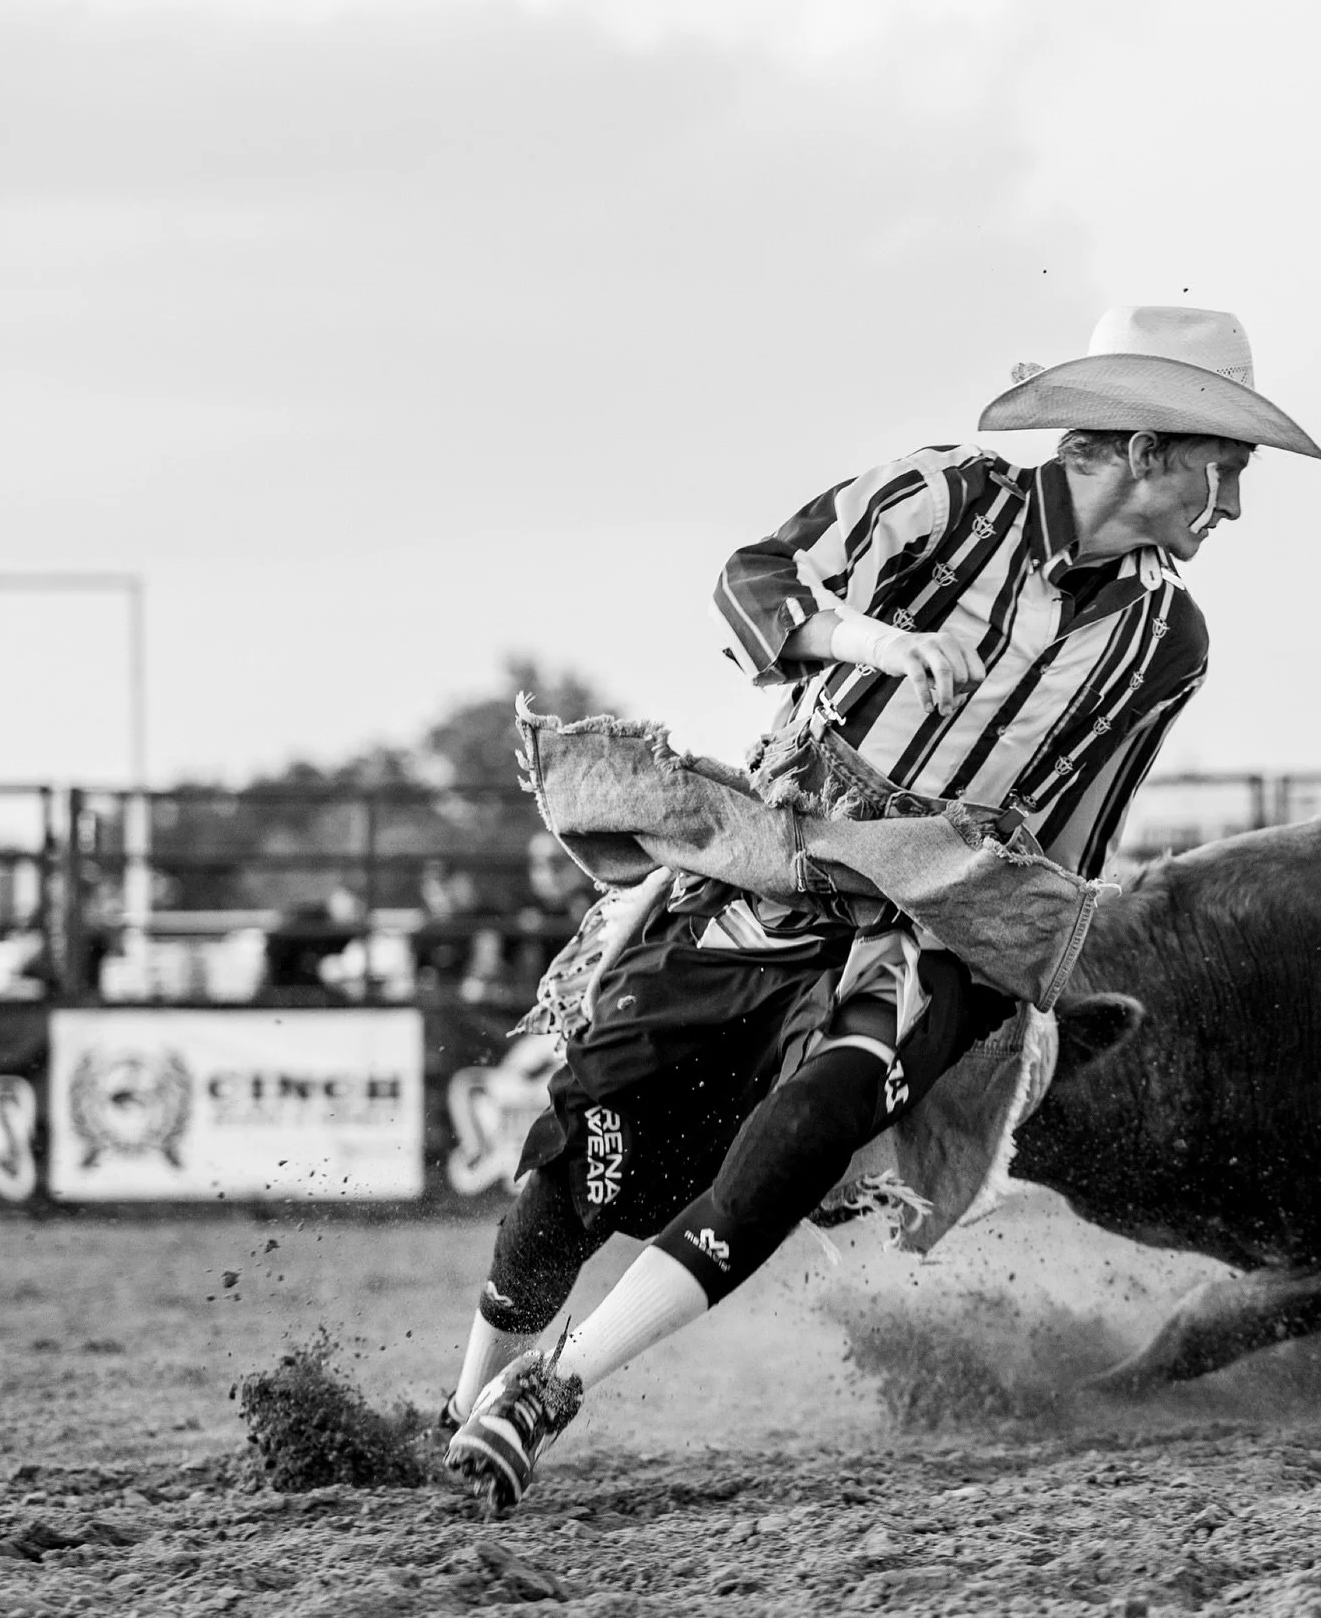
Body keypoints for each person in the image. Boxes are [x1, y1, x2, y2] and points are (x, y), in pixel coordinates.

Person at [441, 306, 1320, 1511]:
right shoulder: (948, 496)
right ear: (1145, 446)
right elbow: (755, 578)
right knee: (593, 1157)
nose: (1226, 508)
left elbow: (1074, 842)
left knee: (813, 1124)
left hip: (945, 919)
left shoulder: (1168, 638)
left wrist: (1032, 997)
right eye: (1221, 471)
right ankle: (466, 1401)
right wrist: (871, 642)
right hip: (780, 858)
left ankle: (554, 1388)